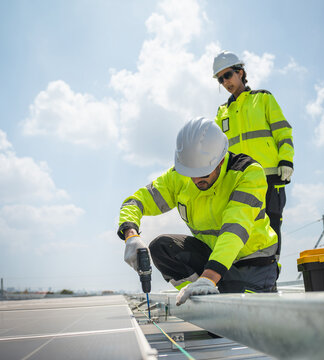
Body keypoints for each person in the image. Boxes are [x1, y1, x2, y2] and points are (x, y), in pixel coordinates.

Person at [118, 117, 279, 306]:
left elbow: (235, 230)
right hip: (212, 259)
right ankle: (198, 298)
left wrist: (208, 279)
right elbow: (135, 201)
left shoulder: (247, 173)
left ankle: (209, 290)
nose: (195, 180)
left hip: (252, 263)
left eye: (203, 174)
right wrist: (131, 235)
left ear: (220, 161)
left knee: (236, 324)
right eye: (190, 174)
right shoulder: (178, 178)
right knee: (162, 247)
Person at [212, 50, 294, 258]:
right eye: (220, 79)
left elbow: (283, 132)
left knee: (272, 225)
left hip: (269, 176)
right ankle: (247, 275)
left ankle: (272, 272)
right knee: (242, 227)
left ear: (240, 72)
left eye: (228, 75)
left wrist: (286, 160)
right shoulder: (222, 113)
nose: (225, 82)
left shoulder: (263, 98)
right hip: (240, 180)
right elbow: (217, 148)